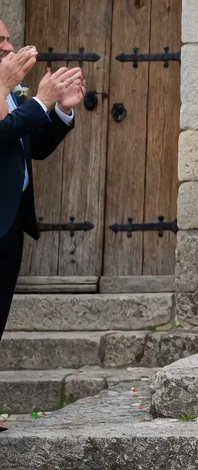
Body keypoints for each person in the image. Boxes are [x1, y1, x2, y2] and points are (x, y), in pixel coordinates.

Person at [0, 19, 86, 342]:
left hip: (10, 225)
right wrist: (40, 102)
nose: (9, 47)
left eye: (8, 39)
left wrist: (60, 110)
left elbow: (28, 146)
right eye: (0, 40)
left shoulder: (9, 90)